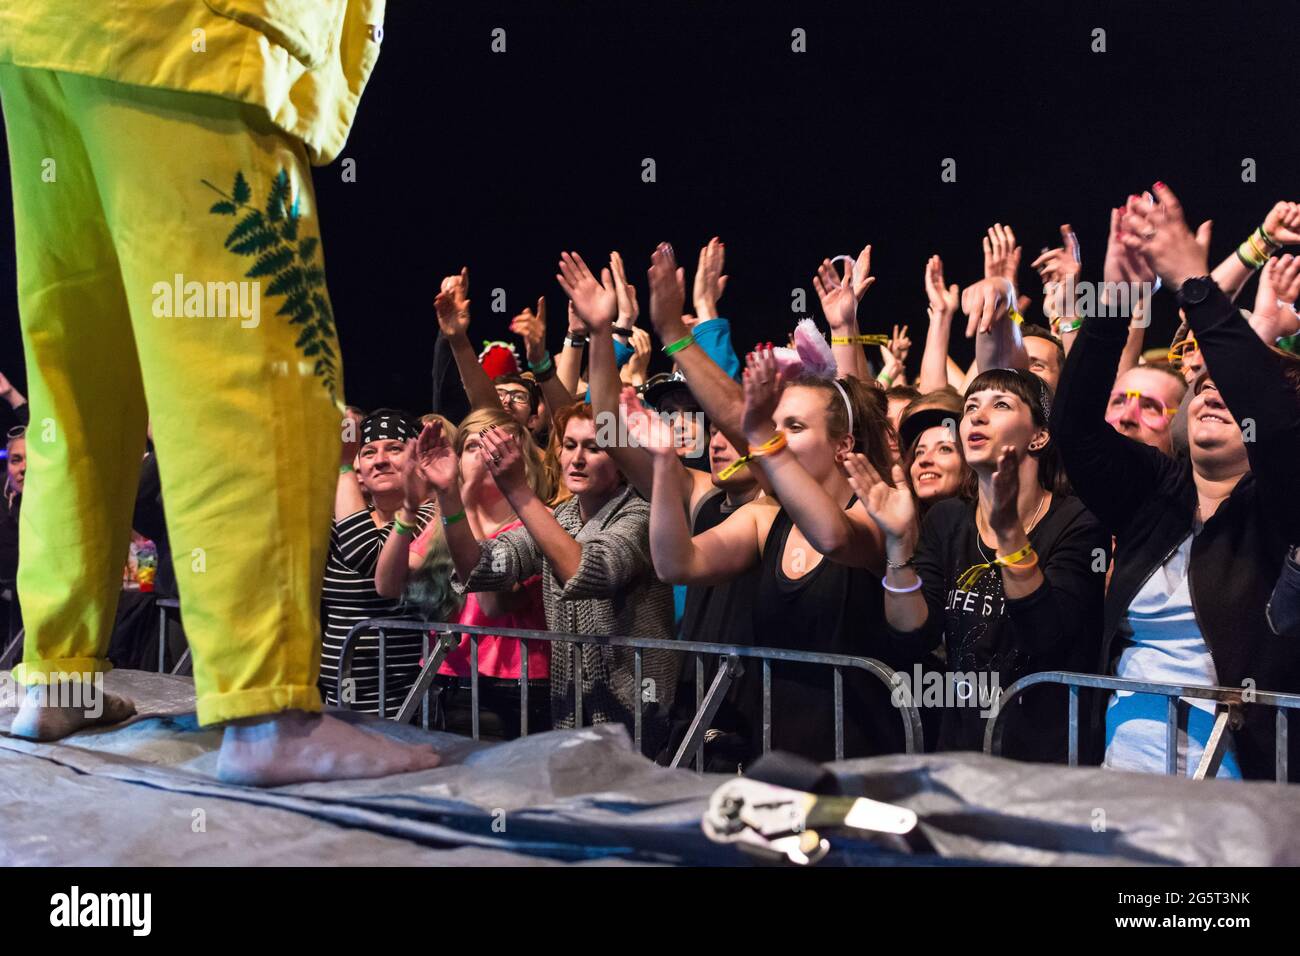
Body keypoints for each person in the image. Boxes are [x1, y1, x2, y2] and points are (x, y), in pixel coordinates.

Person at [0, 1, 441, 784]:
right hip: (186, 25)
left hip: (40, 34)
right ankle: (268, 715)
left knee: (77, 360)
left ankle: (59, 678)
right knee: (250, 351)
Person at [1054, 184, 1300, 780]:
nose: (1213, 387)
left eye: (1229, 384)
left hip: (1241, 773)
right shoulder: (1154, 490)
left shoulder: (1281, 502)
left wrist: (1196, 285)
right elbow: (1075, 428)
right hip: (1122, 765)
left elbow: (1274, 421)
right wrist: (1114, 302)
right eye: (1203, 381)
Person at [642, 335, 913, 764]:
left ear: (843, 445)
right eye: (776, 425)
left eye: (795, 428)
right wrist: (661, 464)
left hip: (861, 754)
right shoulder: (766, 518)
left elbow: (833, 538)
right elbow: (675, 563)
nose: (778, 439)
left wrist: (759, 433)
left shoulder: (878, 513)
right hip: (773, 752)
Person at [856, 361, 1109, 762]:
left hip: (1047, 760)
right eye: (971, 406)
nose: (977, 414)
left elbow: (1046, 638)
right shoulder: (948, 518)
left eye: (1001, 405)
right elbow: (912, 636)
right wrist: (898, 544)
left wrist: (1008, 531)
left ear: (1040, 436)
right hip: (961, 751)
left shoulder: (1078, 520)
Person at [426, 395, 678, 753]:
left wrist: (517, 490)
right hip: (573, 710)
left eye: (594, 448)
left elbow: (585, 571)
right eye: (570, 445)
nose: (576, 458)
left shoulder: (639, 517)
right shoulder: (563, 517)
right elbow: (483, 569)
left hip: (637, 713)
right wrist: (449, 496)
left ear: (622, 461)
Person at [375, 408, 551, 739]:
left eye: (496, 443)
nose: (483, 453)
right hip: (444, 677)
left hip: (516, 683)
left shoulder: (538, 522)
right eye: (471, 445)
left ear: (521, 459)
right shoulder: (443, 524)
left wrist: (463, 504)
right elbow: (387, 584)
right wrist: (410, 510)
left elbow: (493, 603)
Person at [321, 410, 437, 717]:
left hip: (400, 700)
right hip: (335, 694)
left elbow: (367, 556)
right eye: (369, 452)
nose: (380, 460)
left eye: (394, 449)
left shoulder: (428, 516)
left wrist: (344, 466)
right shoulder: (343, 524)